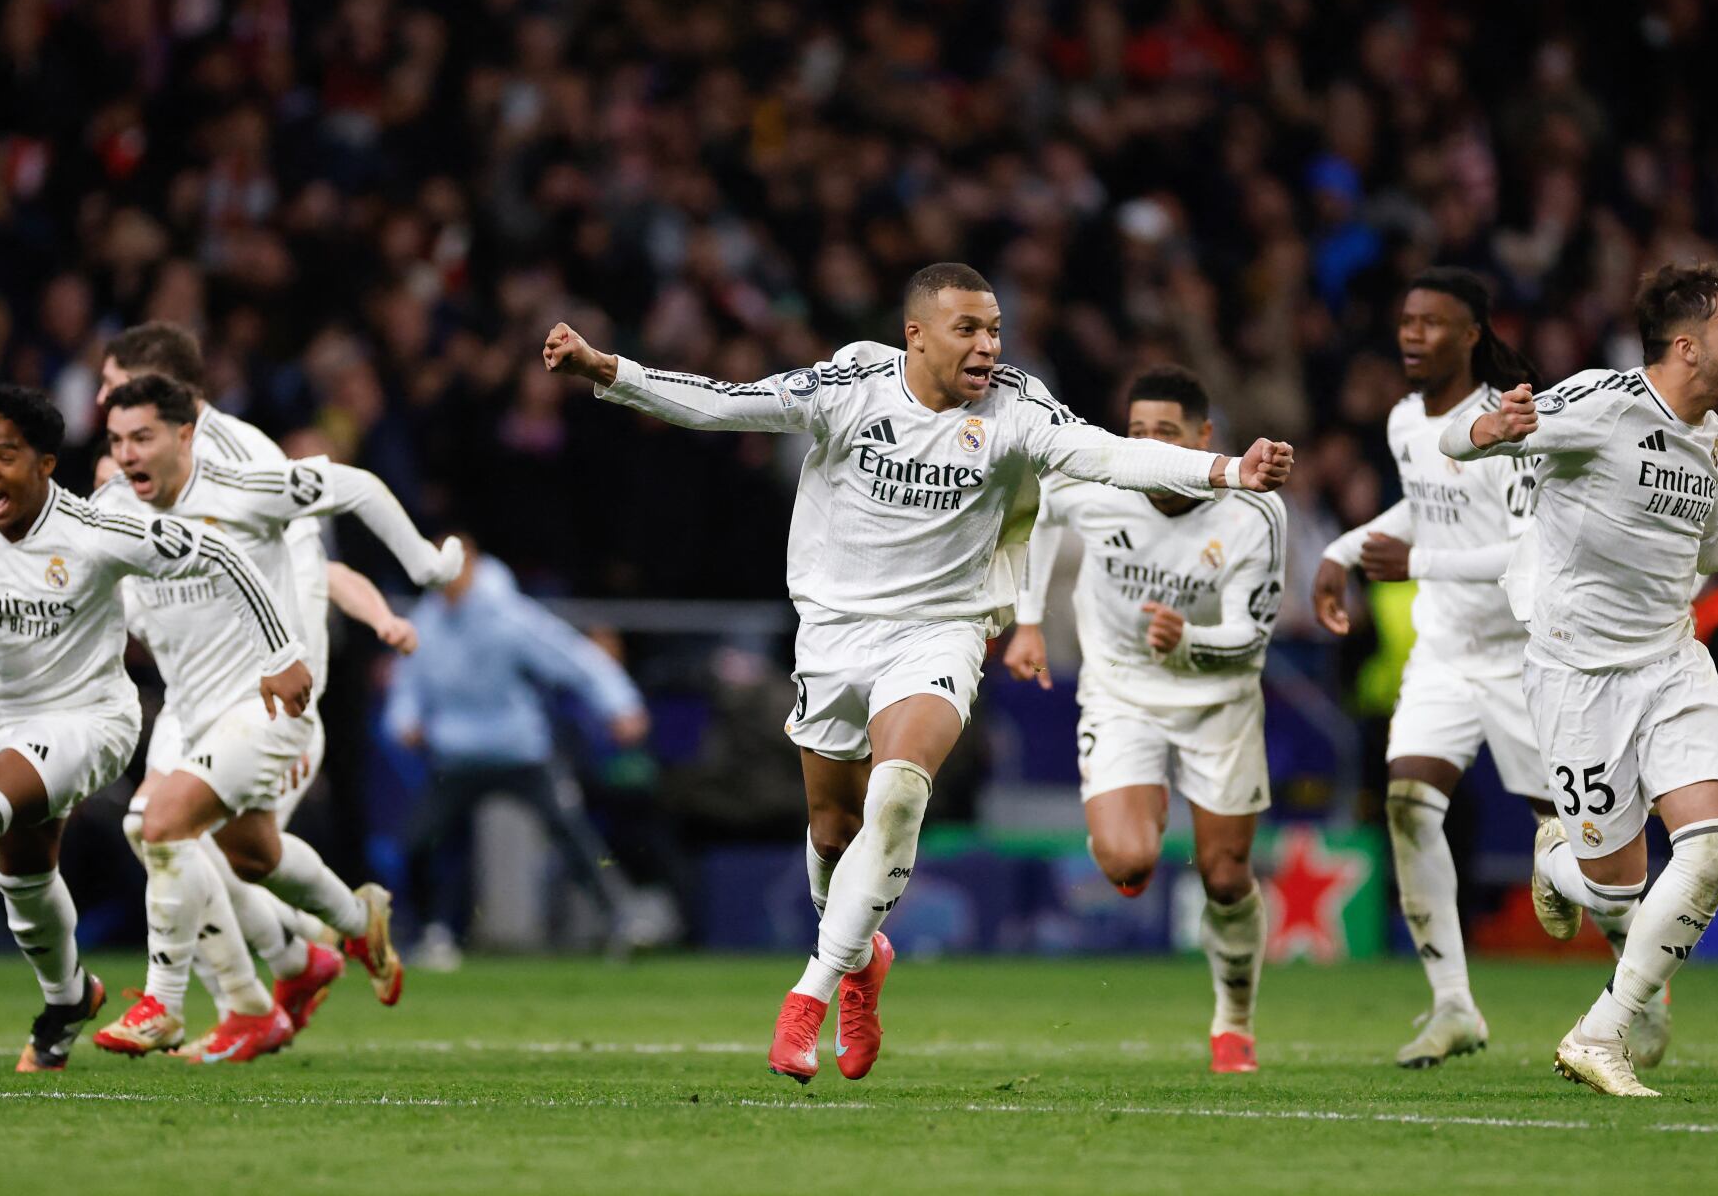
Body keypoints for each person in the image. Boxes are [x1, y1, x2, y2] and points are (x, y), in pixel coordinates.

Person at [541, 262, 1294, 1084]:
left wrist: (1224, 471)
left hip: (942, 631)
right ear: (916, 335)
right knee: (832, 830)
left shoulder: (1018, 406)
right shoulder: (853, 382)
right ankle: (864, 960)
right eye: (968, 329)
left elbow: (1109, 456)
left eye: (995, 328)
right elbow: (727, 403)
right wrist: (609, 371)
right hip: (833, 633)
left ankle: (812, 993)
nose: (988, 345)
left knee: (898, 790)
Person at [1440, 261, 1718, 1097]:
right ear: (1687, 342)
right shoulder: (1602, 401)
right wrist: (1490, 432)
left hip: (1671, 661)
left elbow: (1704, 547)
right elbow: (1462, 436)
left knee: (1715, 852)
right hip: (1575, 672)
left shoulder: (1708, 437)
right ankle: (1557, 853)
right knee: (1616, 887)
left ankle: (1602, 1034)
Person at [0, 385, 309, 1071]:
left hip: (91, 721)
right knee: (25, 882)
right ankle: (67, 998)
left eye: (4, 456)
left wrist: (282, 654)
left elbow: (221, 555)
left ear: (45, 465)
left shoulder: (96, 531)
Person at [1310, 269, 1672, 1068]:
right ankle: (1453, 1007)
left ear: (1471, 335)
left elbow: (1525, 549)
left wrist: (1419, 562)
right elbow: (1421, 505)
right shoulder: (1407, 421)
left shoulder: (1511, 425)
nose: (1412, 335)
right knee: (1408, 800)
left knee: (1591, 844)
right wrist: (1341, 551)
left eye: (1432, 323)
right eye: (1406, 321)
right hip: (1444, 654)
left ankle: (1637, 990)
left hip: (1524, 658)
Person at [91, 374, 461, 1055]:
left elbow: (329, 558)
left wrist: (412, 580)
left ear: (184, 431)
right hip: (195, 713)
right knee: (248, 857)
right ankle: (347, 923)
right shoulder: (124, 519)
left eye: (139, 437)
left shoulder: (248, 490)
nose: (125, 456)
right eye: (115, 443)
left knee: (161, 825)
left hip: (270, 709)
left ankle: (179, 1003)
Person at [1001, 365, 1285, 1074]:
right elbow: (1036, 515)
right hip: (1122, 692)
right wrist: (1028, 621)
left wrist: (1188, 640)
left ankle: (1234, 1018)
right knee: (1127, 862)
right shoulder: (1099, 483)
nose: (1149, 446)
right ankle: (1145, 793)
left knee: (1223, 878)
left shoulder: (1254, 512)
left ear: (1203, 438)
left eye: (1167, 433)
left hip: (1217, 700)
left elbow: (1253, 634)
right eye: (1137, 433)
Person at [387, 537, 650, 964]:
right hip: (456, 757)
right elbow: (407, 684)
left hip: (520, 751)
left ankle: (621, 920)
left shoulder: (507, 614)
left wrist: (620, 704)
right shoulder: (426, 621)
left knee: (570, 831)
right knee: (419, 843)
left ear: (471, 565)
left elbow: (573, 657)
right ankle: (432, 933)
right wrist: (404, 720)